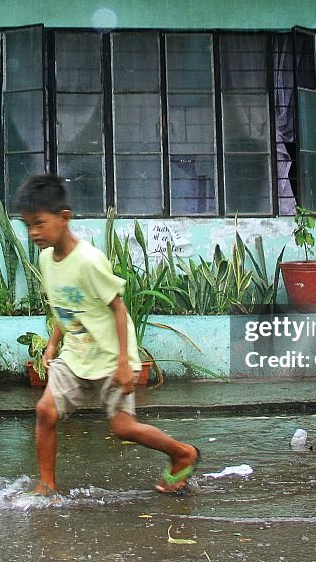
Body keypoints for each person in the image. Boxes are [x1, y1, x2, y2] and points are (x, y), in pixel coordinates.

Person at [15, 174, 200, 495]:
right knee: (45, 411)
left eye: (39, 223)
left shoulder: (88, 261)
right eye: (28, 225)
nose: (33, 233)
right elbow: (64, 304)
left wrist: (127, 363)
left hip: (112, 356)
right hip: (76, 354)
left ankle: (183, 454)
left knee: (122, 428)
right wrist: (53, 342)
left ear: (64, 218)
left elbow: (118, 309)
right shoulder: (46, 260)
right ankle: (46, 484)